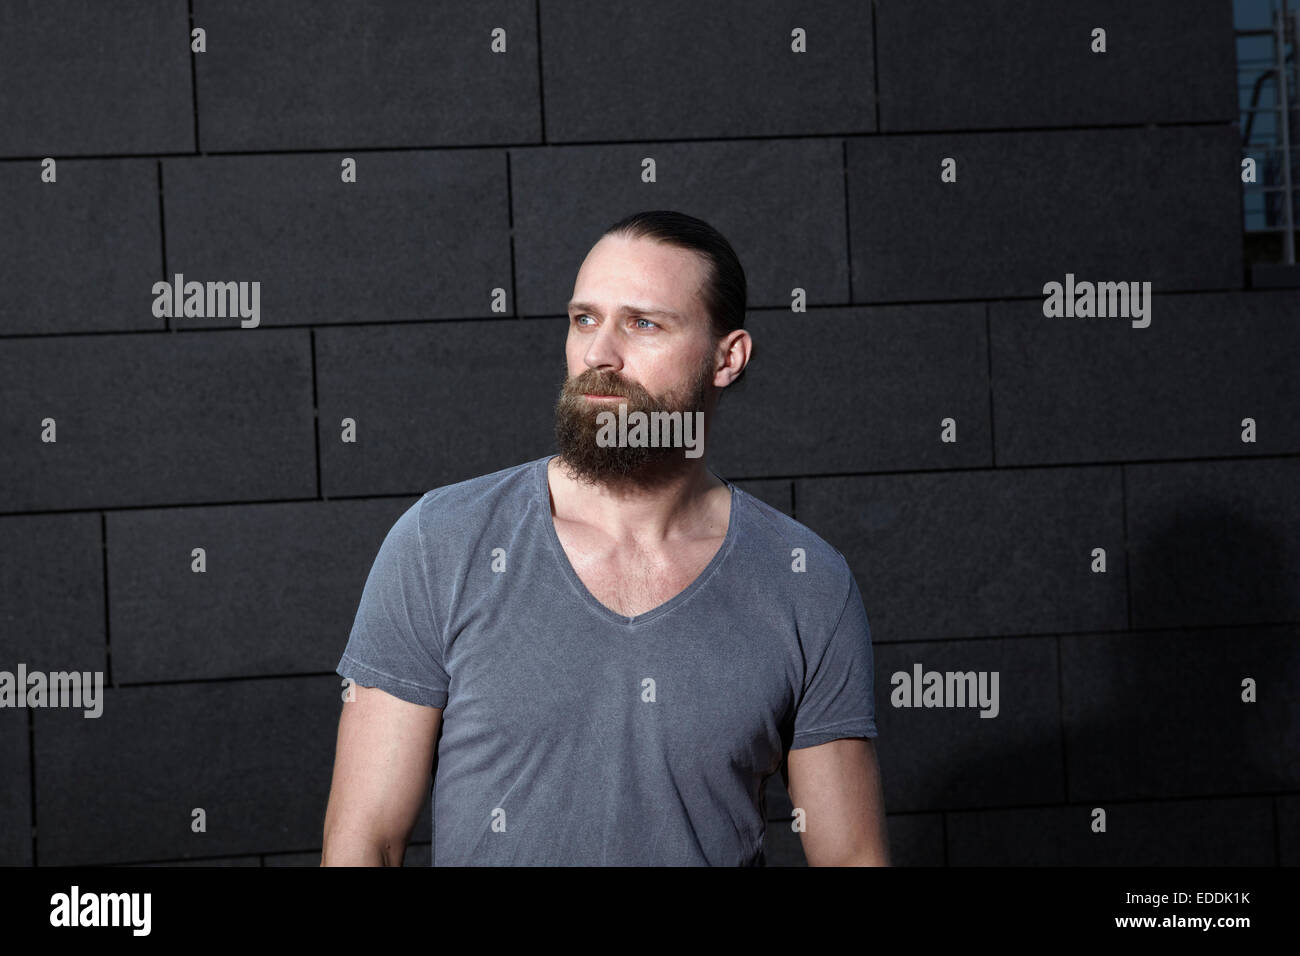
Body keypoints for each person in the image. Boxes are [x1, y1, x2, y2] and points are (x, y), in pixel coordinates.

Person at [321, 209, 889, 866]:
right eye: (584, 319)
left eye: (643, 324)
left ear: (727, 358)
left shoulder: (805, 579)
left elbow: (852, 857)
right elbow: (364, 842)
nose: (598, 353)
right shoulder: (441, 543)